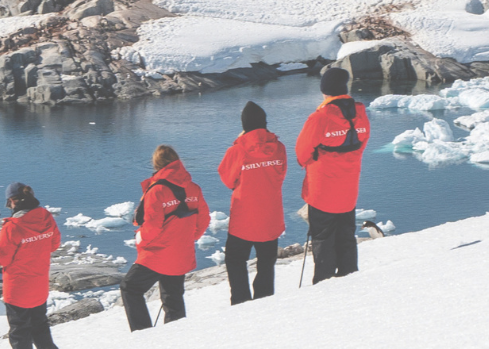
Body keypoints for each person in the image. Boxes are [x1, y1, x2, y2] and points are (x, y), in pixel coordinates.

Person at [121, 145, 210, 331]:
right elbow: (203, 219)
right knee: (173, 297)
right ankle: (175, 336)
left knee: (130, 288)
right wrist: (190, 237)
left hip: (157, 253)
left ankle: (143, 333)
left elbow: (152, 227)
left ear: (156, 164)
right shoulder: (194, 188)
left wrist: (140, 240)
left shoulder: (157, 191)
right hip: (180, 252)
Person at [296, 68, 369, 283]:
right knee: (346, 236)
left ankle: (324, 284)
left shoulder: (319, 118)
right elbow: (361, 144)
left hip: (322, 191)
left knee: (323, 238)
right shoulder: (360, 114)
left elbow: (302, 153)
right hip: (349, 189)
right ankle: (349, 279)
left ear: (325, 91)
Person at [218, 101, 288, 304]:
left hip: (244, 219)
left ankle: (241, 302)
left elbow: (227, 179)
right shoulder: (278, 147)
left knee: (235, 260)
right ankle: (264, 301)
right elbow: (280, 174)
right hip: (270, 217)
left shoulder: (238, 150)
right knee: (266, 263)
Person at [0, 181, 62, 349]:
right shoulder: (46, 217)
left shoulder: (13, 226)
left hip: (17, 289)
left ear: (13, 201)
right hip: (39, 284)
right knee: (40, 325)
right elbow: (54, 244)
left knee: (19, 330)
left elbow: (2, 258)